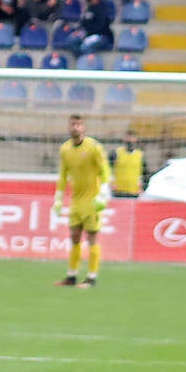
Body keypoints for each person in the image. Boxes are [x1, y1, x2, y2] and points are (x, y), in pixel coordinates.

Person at [54, 114, 110, 287]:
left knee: (92, 237)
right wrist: (58, 197)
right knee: (74, 236)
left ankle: (91, 278)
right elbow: (63, 175)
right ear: (68, 127)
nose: (75, 127)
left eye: (79, 124)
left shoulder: (94, 147)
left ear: (84, 127)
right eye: (73, 124)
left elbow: (104, 170)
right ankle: (71, 276)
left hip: (92, 200)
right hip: (76, 201)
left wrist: (104, 191)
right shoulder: (65, 149)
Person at [108, 131, 146, 198]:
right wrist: (111, 183)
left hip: (134, 192)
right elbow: (107, 169)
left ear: (136, 139)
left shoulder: (140, 155)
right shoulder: (115, 153)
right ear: (124, 139)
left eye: (132, 138)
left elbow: (145, 173)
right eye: (128, 138)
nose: (130, 140)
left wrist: (143, 187)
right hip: (118, 191)